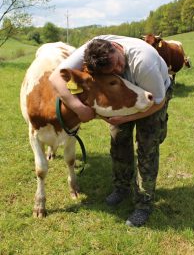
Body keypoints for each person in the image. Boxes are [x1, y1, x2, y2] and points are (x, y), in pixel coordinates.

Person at [49, 35, 173, 227]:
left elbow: (158, 102)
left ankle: (143, 204)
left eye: (117, 63)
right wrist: (78, 108)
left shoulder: (143, 61)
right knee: (118, 142)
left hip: (153, 96)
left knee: (147, 148)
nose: (118, 69)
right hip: (121, 95)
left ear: (115, 47)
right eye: (110, 71)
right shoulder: (91, 50)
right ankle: (121, 188)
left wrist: (126, 118)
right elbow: (55, 77)